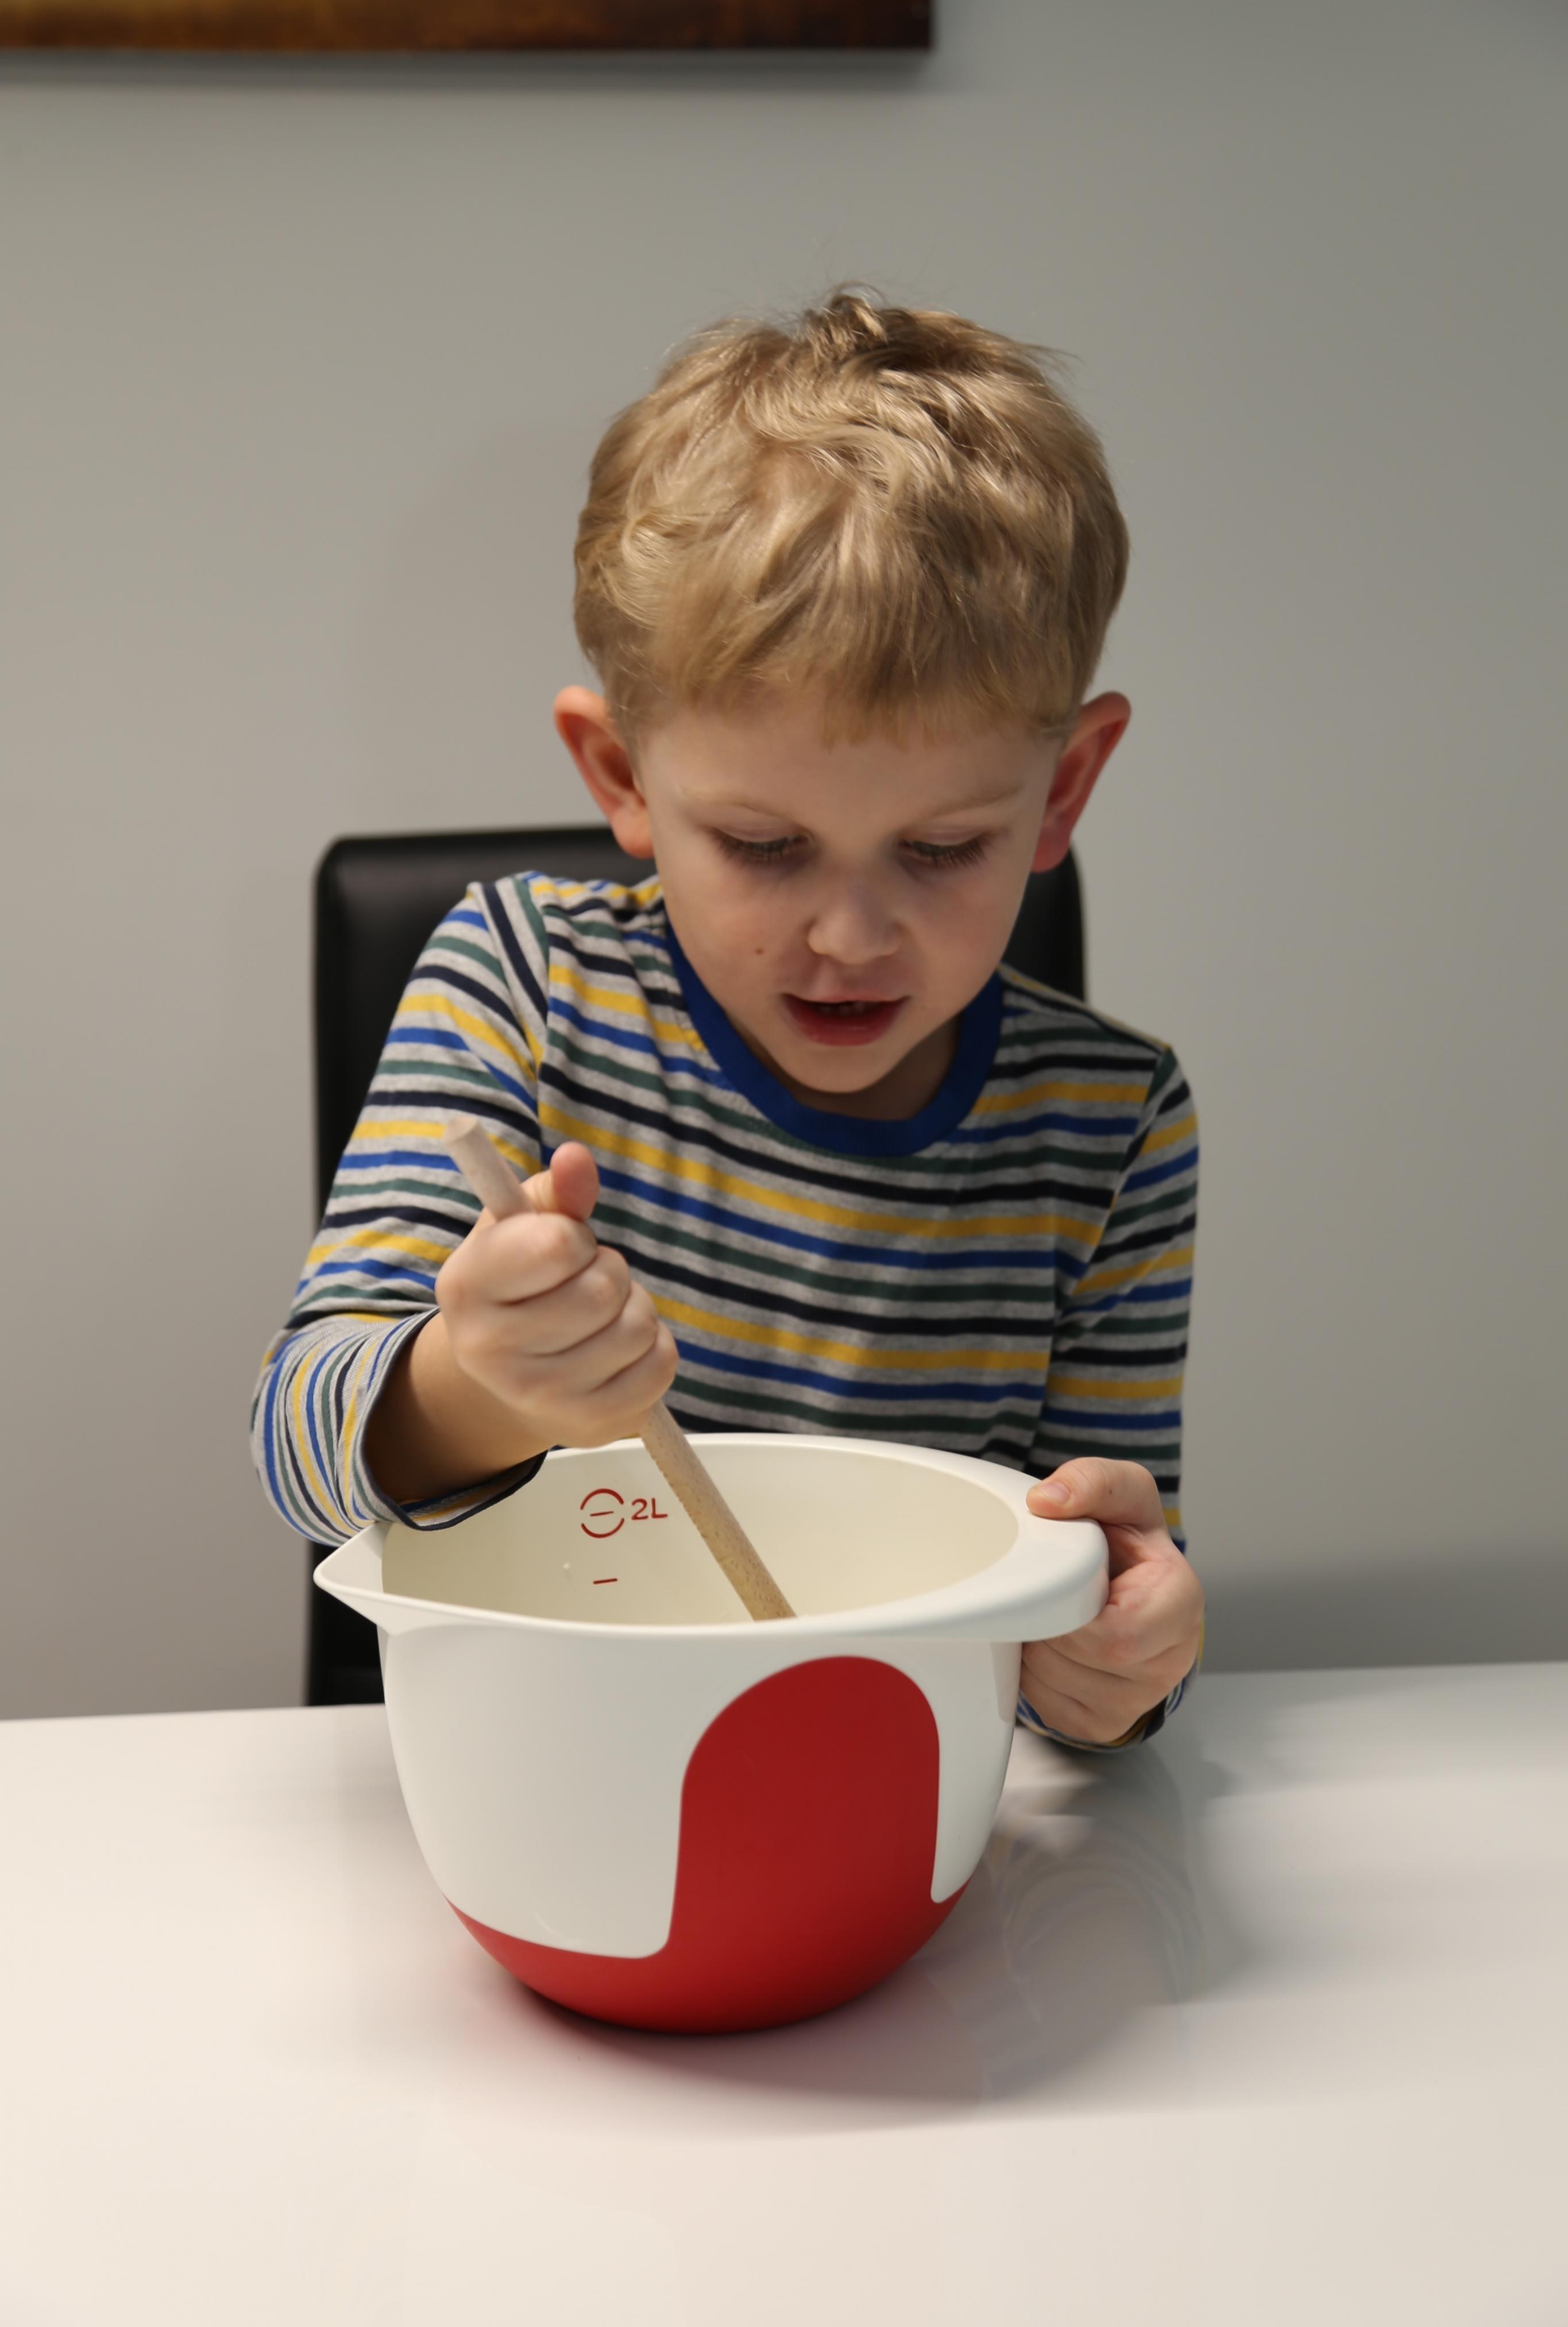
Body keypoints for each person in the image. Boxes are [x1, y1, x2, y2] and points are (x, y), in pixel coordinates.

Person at [252, 290, 1203, 1750]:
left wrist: (1120, 1655)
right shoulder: (522, 983)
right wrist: (475, 1384)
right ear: (621, 777)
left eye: (943, 848)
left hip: (890, 1790)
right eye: (765, 846)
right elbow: (300, 1450)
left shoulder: (1110, 1129)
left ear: (1064, 789)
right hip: (553, 1757)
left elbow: (1104, 1601)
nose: (850, 935)